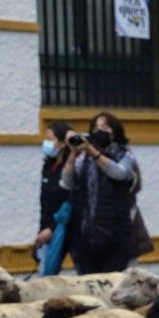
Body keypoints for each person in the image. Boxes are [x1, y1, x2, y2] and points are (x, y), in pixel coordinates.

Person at [62, 111, 138, 275]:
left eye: (105, 127)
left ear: (115, 132)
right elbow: (66, 182)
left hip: (115, 233)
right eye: (95, 128)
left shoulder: (125, 155)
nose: (99, 131)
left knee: (112, 284)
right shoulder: (83, 158)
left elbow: (119, 173)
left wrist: (93, 152)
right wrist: (73, 152)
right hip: (86, 233)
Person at [35, 122, 74, 276]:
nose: (47, 143)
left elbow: (69, 200)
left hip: (63, 226)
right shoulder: (48, 165)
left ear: (63, 143)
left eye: (51, 139)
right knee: (45, 272)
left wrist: (52, 228)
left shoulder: (71, 167)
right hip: (46, 227)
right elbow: (46, 202)